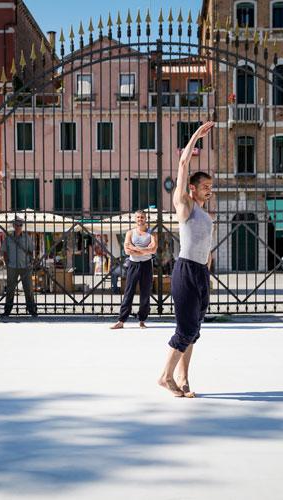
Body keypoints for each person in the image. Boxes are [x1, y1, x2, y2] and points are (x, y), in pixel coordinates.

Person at [158, 121, 215, 398]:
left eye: (210, 187)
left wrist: (208, 271)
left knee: (195, 329)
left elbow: (207, 247)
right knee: (186, 327)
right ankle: (165, 376)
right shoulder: (185, 206)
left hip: (202, 273)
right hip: (185, 271)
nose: (209, 190)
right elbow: (182, 164)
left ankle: (183, 377)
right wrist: (195, 137)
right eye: (204, 186)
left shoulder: (206, 216)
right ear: (192, 188)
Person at [111, 210, 158, 330]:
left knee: (145, 293)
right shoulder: (130, 233)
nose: (140, 219)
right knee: (129, 292)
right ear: (135, 219)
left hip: (147, 265)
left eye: (142, 217)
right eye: (138, 217)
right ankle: (121, 321)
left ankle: (142, 320)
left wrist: (135, 249)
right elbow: (127, 250)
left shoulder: (152, 233)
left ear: (146, 219)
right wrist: (144, 249)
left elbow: (153, 249)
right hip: (133, 264)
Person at [1, 218, 37, 317]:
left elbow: (31, 251)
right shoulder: (8, 238)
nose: (18, 227)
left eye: (20, 225)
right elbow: (4, 251)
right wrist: (7, 263)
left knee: (28, 289)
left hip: (25, 266)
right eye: (16, 225)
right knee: (10, 289)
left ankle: (32, 310)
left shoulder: (27, 237)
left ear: (22, 226)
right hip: (12, 266)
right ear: (13, 226)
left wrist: (30, 261)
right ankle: (7, 311)